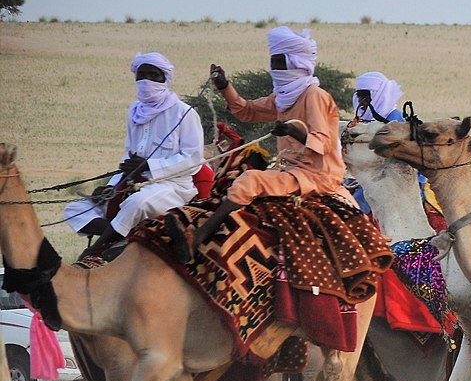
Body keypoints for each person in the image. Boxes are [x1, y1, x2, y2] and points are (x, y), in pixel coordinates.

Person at [178, 27, 347, 258]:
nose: (274, 69)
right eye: (273, 63)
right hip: (290, 170)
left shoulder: (314, 95)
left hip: (318, 175)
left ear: (295, 63)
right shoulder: (283, 97)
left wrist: (292, 131)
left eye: (279, 63)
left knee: (250, 179)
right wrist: (224, 86)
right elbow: (247, 112)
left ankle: (198, 237)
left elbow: (325, 144)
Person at [65, 52, 203, 253]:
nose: (147, 80)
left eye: (153, 75)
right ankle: (125, 239)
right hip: (132, 183)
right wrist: (111, 187)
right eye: (142, 75)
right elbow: (127, 158)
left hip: (172, 188)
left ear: (165, 79)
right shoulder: (134, 111)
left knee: (136, 203)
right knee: (75, 209)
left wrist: (149, 166)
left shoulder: (184, 113)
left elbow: (194, 159)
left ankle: (97, 250)